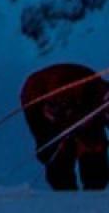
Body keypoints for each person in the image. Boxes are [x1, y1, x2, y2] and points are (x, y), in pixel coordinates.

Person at [21, 62, 109, 191]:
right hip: (39, 98)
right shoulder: (73, 87)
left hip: (71, 104)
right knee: (62, 148)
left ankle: (89, 189)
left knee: (92, 146)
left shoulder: (96, 98)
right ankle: (68, 192)